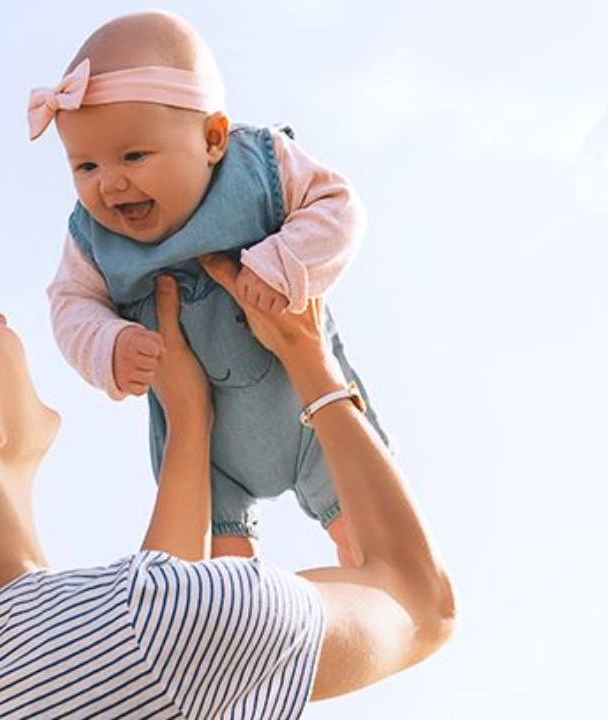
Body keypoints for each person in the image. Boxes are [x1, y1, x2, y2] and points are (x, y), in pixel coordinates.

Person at [0, 255, 454, 718]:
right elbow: (420, 604)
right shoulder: (161, 625)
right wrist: (310, 361)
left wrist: (188, 423)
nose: (5, 319)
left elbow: (138, 657)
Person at [35, 11, 387, 560]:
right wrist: (108, 344)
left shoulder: (259, 166)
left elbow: (339, 207)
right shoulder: (91, 241)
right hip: (207, 450)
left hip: (309, 408)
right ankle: (244, 625)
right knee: (220, 584)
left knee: (369, 541)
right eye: (84, 166)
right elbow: (70, 304)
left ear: (213, 138)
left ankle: (370, 585)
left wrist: (284, 262)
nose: (110, 183)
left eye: (133, 155)